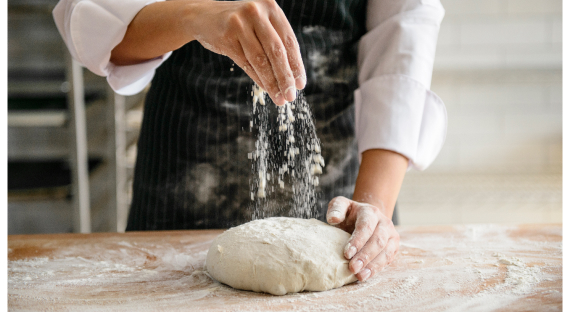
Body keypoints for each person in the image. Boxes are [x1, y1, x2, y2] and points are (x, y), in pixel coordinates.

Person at [53, 0, 446, 282]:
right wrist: (194, 15)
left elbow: (405, 33)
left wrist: (374, 202)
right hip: (185, 175)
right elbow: (91, 18)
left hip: (341, 199)